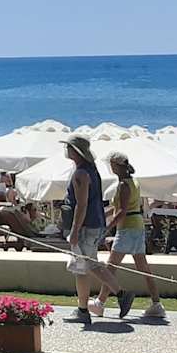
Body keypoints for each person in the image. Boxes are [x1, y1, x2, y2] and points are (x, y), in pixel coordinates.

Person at [103, 152, 166, 323]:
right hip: (136, 226)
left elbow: (122, 211)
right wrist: (104, 216)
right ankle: (156, 303)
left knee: (110, 267)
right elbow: (121, 207)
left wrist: (107, 227)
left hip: (127, 228)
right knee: (143, 267)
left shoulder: (123, 185)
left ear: (116, 166)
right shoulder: (133, 182)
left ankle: (100, 302)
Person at [62, 135, 113, 324]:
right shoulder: (92, 171)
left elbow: (81, 205)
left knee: (81, 269)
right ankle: (119, 293)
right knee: (89, 265)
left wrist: (74, 231)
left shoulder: (81, 174)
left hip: (85, 226)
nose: (66, 150)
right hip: (95, 223)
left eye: (68, 147)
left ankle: (83, 310)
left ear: (76, 151)